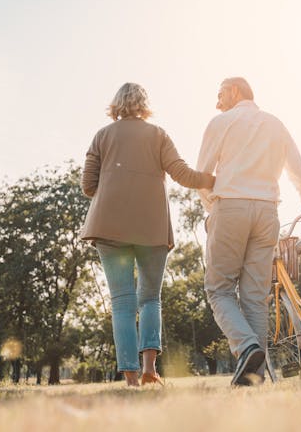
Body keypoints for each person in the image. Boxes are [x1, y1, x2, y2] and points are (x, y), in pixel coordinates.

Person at [80, 82, 215, 387]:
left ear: (116, 105)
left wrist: (115, 183)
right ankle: (149, 370)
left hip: (109, 228)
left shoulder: (102, 136)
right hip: (152, 229)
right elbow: (182, 174)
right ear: (144, 104)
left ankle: (129, 378)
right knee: (150, 299)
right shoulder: (158, 135)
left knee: (123, 302)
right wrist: (214, 179)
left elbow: (88, 186)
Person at [196, 77, 301, 386]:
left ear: (235, 90)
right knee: (254, 297)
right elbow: (300, 171)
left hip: (230, 207)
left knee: (219, 289)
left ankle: (246, 346)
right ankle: (253, 377)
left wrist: (213, 209)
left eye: (220, 93)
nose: (217, 102)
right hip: (267, 212)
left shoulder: (221, 122)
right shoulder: (275, 124)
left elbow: (202, 176)